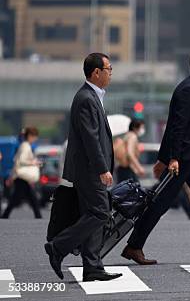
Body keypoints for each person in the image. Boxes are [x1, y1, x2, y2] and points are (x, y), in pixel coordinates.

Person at [121, 48, 190, 267]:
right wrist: (171, 158)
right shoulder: (188, 89)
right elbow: (176, 127)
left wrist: (164, 157)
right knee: (158, 204)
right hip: (182, 162)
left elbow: (173, 126)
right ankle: (134, 246)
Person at [44, 53, 121, 282]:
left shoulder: (92, 96)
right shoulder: (86, 98)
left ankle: (92, 266)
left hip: (91, 169)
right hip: (89, 170)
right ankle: (58, 247)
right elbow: (91, 138)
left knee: (94, 213)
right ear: (96, 72)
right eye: (108, 68)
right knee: (100, 212)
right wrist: (101, 168)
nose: (110, 73)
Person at [2, 127, 42, 219]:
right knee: (24, 197)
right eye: (35, 136)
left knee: (29, 197)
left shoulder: (23, 145)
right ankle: (38, 216)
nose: (36, 139)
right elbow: (22, 161)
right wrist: (34, 162)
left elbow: (16, 162)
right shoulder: (26, 146)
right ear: (30, 136)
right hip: (21, 177)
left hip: (20, 176)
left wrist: (11, 177)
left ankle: (38, 215)